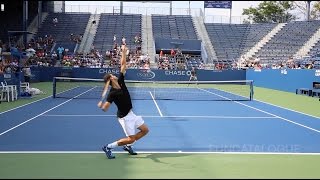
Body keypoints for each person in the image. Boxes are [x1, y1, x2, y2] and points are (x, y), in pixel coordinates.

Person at [98, 44, 149, 159]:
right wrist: (102, 105)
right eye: (112, 75)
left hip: (131, 114)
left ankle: (128, 145)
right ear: (111, 79)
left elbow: (123, 64)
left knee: (145, 130)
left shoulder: (120, 80)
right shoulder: (112, 93)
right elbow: (105, 108)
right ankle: (108, 147)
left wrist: (123, 52)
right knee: (131, 138)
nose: (115, 75)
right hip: (124, 117)